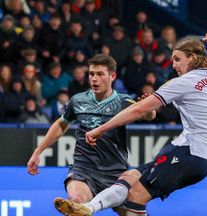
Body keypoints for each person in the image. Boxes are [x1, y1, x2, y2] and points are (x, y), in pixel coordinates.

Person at [53, 30, 207, 216]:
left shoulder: (183, 82)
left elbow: (138, 109)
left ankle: (89, 208)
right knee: (129, 176)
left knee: (135, 197)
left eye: (177, 59)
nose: (173, 65)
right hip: (190, 152)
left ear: (193, 58)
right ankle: (88, 207)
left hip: (191, 154)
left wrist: (101, 129)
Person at [27, 54, 156, 216]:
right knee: (77, 204)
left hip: (115, 173)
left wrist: (150, 108)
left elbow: (146, 115)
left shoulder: (123, 101)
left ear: (112, 76)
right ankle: (76, 207)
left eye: (100, 74)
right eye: (91, 74)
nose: (94, 79)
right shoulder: (78, 100)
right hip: (84, 170)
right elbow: (61, 124)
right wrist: (38, 151)